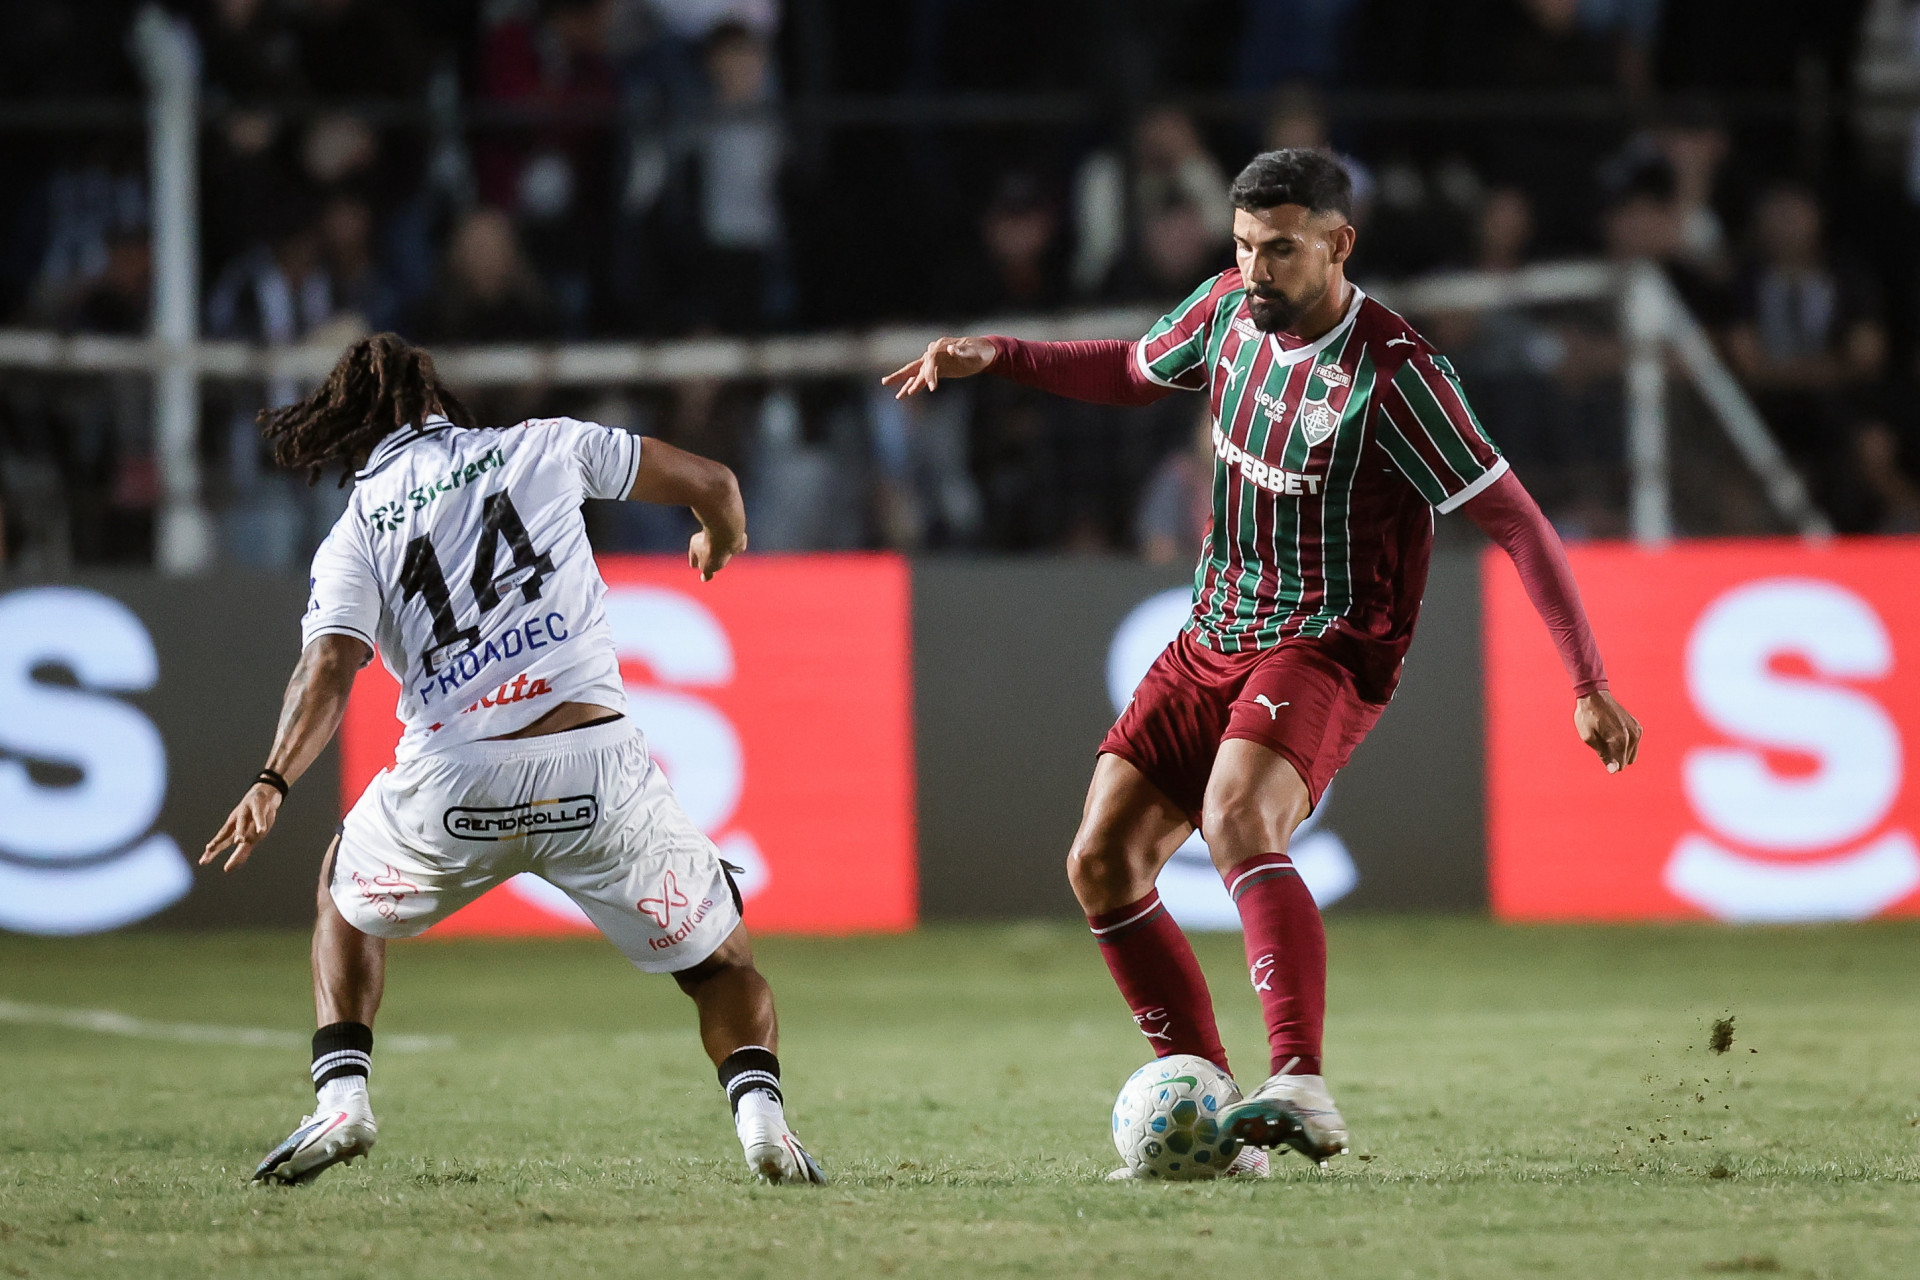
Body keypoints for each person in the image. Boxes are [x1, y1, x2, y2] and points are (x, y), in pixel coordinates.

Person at [884, 149, 1640, 1177]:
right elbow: (1128, 371)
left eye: (1280, 250)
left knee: (1240, 813)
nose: (1256, 269)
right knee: (1100, 860)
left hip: (1331, 639)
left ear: (1338, 244)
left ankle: (1300, 1080)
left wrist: (1587, 680)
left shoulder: (1398, 374)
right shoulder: (1226, 313)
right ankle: (1206, 1108)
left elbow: (1519, 522)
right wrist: (1001, 354)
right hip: (1212, 630)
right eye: (1243, 247)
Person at [201, 333, 826, 1187]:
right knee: (722, 966)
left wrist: (272, 780)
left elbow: (329, 665)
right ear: (437, 400)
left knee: (342, 892)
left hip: (455, 782)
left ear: (351, 427)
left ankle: (341, 1101)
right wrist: (719, 539)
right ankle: (763, 1124)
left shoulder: (357, 530)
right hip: (594, 772)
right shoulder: (543, 444)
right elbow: (715, 484)